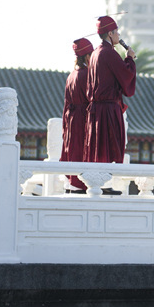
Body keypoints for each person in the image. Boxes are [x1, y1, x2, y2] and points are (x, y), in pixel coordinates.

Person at [85, 15, 136, 171]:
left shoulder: (95, 53)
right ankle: (105, 183)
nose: (119, 36)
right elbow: (125, 75)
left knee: (98, 147)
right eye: (117, 32)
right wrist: (130, 59)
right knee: (109, 147)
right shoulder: (109, 53)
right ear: (110, 34)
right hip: (108, 108)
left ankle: (100, 182)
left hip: (96, 109)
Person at [61, 38, 93, 193]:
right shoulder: (88, 74)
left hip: (72, 118)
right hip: (84, 118)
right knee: (83, 150)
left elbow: (66, 103)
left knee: (73, 149)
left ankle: (73, 182)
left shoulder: (71, 75)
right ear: (88, 56)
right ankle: (80, 184)